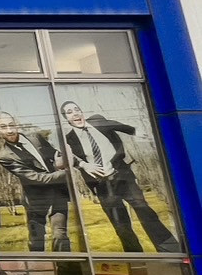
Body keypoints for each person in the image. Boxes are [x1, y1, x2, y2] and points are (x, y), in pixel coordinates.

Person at [61, 99, 180, 252]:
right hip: (102, 185)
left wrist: (136, 131)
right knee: (120, 225)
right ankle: (136, 257)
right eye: (69, 112)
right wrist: (83, 165)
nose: (75, 114)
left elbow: (119, 126)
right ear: (66, 118)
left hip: (122, 176)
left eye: (77, 109)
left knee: (145, 210)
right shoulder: (69, 139)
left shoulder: (97, 121)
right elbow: (67, 157)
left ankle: (171, 250)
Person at [0, 112, 72, 251]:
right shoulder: (5, 157)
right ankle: (40, 264)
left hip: (58, 194)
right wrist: (65, 174)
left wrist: (62, 159)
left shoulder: (35, 138)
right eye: (3, 127)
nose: (9, 130)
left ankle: (65, 265)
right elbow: (37, 178)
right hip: (36, 201)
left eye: (11, 125)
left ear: (17, 125)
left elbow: (54, 153)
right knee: (37, 241)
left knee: (61, 235)